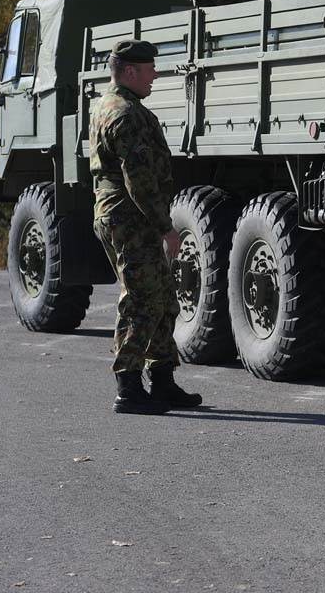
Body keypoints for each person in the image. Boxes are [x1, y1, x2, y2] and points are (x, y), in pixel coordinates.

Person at [90, 40, 203, 415]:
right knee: (141, 300)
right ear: (130, 71)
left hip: (128, 216)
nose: (155, 74)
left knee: (163, 299)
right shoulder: (124, 113)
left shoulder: (116, 106)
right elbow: (137, 177)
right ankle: (128, 386)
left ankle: (163, 381)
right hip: (130, 218)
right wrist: (164, 226)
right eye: (149, 68)